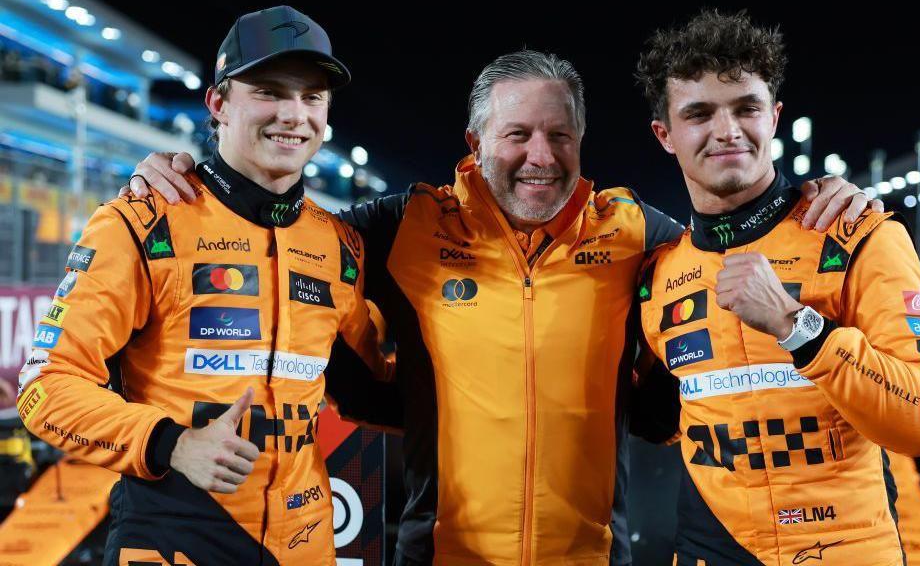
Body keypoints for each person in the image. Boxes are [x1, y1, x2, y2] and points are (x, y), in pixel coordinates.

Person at [128, 49, 876, 565]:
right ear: (475, 140)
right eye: (516, 134)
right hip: (439, 555)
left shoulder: (636, 233)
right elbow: (277, 229)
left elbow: (723, 244)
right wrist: (196, 180)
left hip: (593, 556)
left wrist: (809, 200)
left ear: (583, 140)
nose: (540, 156)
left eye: (559, 134)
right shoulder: (403, 226)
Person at [17, 6, 389, 566]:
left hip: (308, 542)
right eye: (268, 91)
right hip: (173, 536)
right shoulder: (142, 220)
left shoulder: (339, 244)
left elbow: (373, 387)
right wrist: (173, 443)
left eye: (311, 97)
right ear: (218, 103)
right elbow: (45, 386)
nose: (294, 114)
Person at [633, 10, 920, 565]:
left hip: (850, 549)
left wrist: (796, 326)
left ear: (775, 116)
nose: (728, 130)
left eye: (746, 108)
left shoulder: (859, 234)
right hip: (710, 550)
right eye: (699, 113)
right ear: (665, 134)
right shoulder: (656, 276)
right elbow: (663, 417)